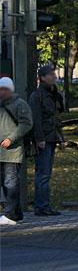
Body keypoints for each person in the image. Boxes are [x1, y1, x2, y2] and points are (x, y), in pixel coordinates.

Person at [29, 65, 65, 216]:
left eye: (54, 74)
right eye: (50, 75)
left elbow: (57, 117)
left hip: (51, 137)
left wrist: (60, 137)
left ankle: (44, 205)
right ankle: (41, 206)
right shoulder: (37, 96)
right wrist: (39, 138)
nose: (54, 77)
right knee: (43, 174)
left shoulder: (53, 94)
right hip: (44, 138)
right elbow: (35, 119)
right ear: (42, 77)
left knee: (46, 173)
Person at [0, 77, 33, 226]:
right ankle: (16, 213)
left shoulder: (20, 104)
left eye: (4, 89)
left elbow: (26, 124)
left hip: (12, 152)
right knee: (6, 183)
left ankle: (9, 214)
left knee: (11, 182)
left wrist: (11, 139)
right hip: (2, 151)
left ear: (10, 90)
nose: (1, 92)